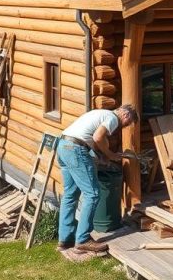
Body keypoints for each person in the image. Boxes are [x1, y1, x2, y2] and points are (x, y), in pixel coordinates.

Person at [56, 104, 138, 258]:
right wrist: (111, 155)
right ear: (126, 116)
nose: (122, 128)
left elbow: (89, 138)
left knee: (70, 195)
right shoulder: (113, 118)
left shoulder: (100, 113)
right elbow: (98, 137)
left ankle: (65, 240)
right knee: (92, 194)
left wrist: (101, 156)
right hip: (75, 149)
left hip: (62, 146)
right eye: (126, 124)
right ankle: (83, 239)